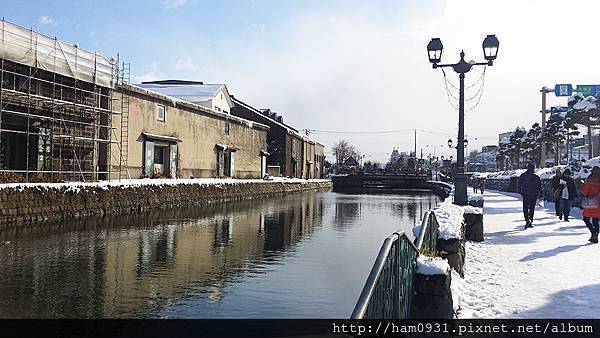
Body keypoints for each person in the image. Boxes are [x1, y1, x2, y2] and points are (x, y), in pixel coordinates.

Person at [517, 162, 543, 229]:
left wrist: (520, 192)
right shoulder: (536, 177)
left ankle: (527, 220)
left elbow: (519, 184)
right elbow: (539, 186)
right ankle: (531, 220)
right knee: (532, 207)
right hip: (534, 194)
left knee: (525, 208)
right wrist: (541, 194)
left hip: (526, 194)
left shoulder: (523, 176)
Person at [580, 166, 600, 243]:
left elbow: (584, 192)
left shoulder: (589, 181)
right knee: (596, 220)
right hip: (598, 203)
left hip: (590, 203)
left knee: (586, 219)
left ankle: (593, 233)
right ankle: (596, 236)